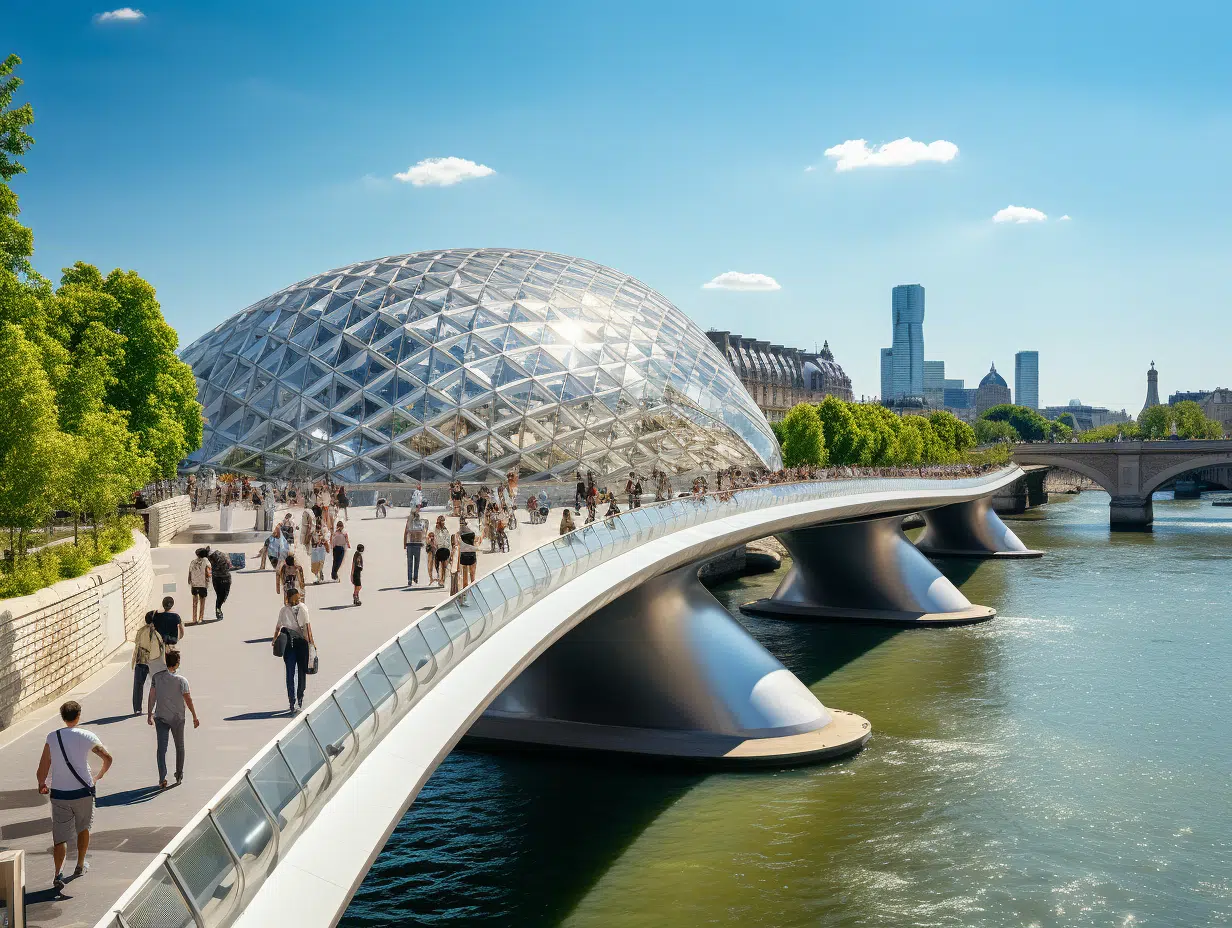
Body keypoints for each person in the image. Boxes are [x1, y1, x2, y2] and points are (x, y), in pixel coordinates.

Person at [36, 700, 113, 891]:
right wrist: (97, 777)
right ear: (78, 716)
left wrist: (42, 784)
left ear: (62, 717)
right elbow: (107, 758)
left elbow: (43, 767)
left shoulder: (52, 737)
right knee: (83, 828)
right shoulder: (87, 735)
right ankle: (79, 865)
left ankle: (57, 873)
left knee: (60, 837)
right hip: (83, 791)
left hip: (60, 793)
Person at [146, 650, 199, 789]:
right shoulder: (182, 681)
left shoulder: (156, 678)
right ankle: (179, 775)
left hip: (161, 717)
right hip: (178, 718)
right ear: (176, 664)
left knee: (161, 749)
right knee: (179, 747)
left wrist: (149, 713)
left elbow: (152, 696)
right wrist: (194, 716)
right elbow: (188, 699)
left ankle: (162, 778)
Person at [274, 591, 314, 713]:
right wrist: (311, 643)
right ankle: (298, 698)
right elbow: (307, 628)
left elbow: (278, 627)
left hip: (288, 643)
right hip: (301, 643)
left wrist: (274, 639)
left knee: (290, 672)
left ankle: (293, 700)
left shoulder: (284, 610)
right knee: (301, 671)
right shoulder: (302, 608)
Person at [131, 609, 166, 715]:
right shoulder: (156, 632)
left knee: (138, 685)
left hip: (140, 660)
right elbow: (158, 649)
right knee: (158, 684)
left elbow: (137, 643)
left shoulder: (141, 631)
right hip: (153, 662)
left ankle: (137, 708)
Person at [453, 518, 479, 596]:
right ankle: (473, 592)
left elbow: (456, 543)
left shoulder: (458, 534)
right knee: (472, 575)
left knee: (465, 576)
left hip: (464, 554)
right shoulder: (472, 532)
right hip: (471, 554)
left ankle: (465, 593)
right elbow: (476, 541)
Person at [206, 546, 232, 620]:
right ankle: (218, 609)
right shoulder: (209, 557)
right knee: (220, 595)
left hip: (225, 577)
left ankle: (218, 607)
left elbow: (229, 565)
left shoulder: (221, 556)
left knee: (224, 596)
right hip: (217, 578)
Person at [404, 507, 427, 587]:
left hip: (410, 544)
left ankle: (411, 579)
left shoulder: (410, 522)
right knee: (416, 562)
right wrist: (423, 542)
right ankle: (414, 578)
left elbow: (406, 532)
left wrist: (404, 544)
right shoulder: (419, 522)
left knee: (410, 563)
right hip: (416, 544)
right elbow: (423, 532)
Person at [187, 547, 211, 624]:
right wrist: (208, 582)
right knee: (202, 602)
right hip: (202, 584)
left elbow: (190, 572)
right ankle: (200, 618)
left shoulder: (193, 562)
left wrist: (190, 581)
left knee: (194, 602)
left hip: (194, 584)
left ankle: (194, 618)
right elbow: (208, 574)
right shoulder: (207, 562)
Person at [431, 515, 452, 588]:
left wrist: (449, 548)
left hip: (445, 549)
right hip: (438, 549)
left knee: (444, 566)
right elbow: (434, 538)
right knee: (438, 566)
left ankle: (442, 580)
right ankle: (440, 578)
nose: (443, 522)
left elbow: (448, 539)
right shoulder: (435, 529)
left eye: (443, 521)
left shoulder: (445, 530)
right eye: (442, 521)